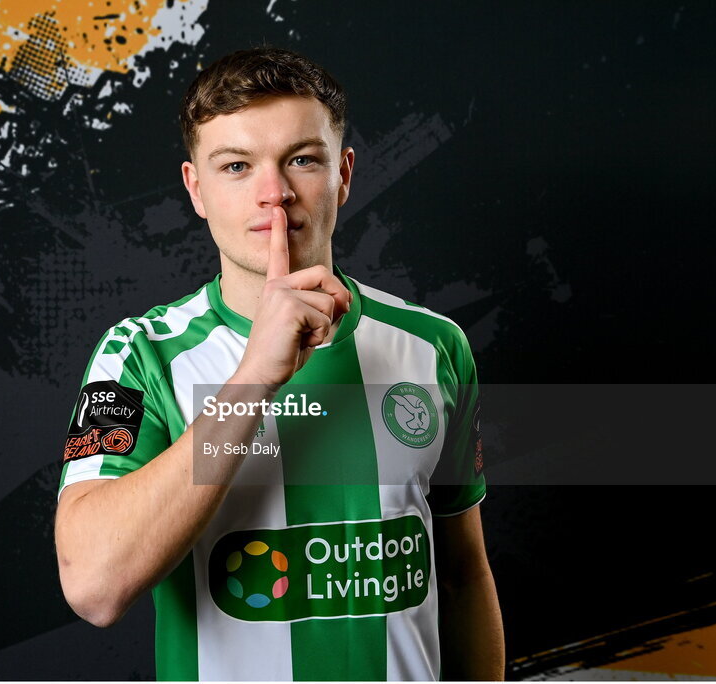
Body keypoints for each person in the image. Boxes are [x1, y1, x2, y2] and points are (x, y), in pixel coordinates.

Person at [54, 46, 504, 681]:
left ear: (343, 174)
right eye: (236, 166)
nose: (275, 195)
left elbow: (462, 577)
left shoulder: (434, 347)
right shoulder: (140, 354)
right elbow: (95, 588)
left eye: (301, 160)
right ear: (196, 189)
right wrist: (253, 377)